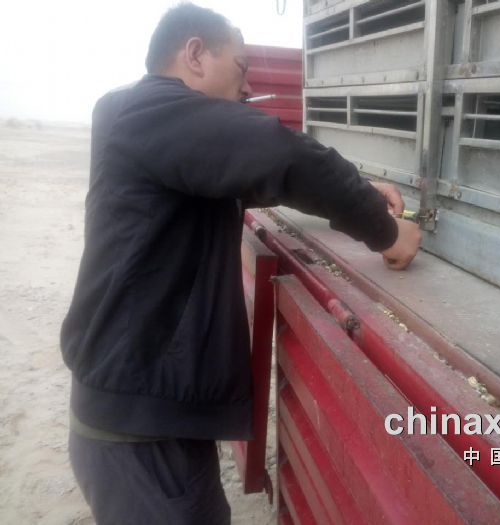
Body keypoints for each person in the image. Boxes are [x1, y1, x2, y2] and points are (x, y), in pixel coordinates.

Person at [60, 3, 421, 524]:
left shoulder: (142, 126)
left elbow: (252, 177)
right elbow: (282, 155)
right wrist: (387, 233)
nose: (249, 87)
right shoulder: (149, 112)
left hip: (145, 420)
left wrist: (361, 189)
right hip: (139, 437)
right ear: (194, 55)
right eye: (241, 67)